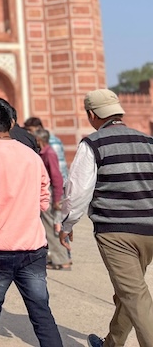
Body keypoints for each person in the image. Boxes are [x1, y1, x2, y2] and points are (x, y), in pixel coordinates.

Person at [59, 89, 153, 347]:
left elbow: (78, 192)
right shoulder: (148, 141)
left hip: (116, 232)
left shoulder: (93, 143)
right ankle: (112, 342)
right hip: (149, 231)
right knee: (128, 292)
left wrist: (67, 225)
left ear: (92, 114)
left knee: (135, 295)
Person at [0, 98, 62, 347]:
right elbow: (44, 202)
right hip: (33, 247)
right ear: (12, 122)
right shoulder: (32, 156)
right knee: (41, 311)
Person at [34, 128, 70, 271]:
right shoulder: (44, 153)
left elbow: (56, 177)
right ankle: (56, 258)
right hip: (47, 193)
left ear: (40, 140)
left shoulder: (49, 153)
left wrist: (56, 199)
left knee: (53, 228)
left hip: (50, 194)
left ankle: (61, 259)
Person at [24, 116, 69, 182]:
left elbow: (58, 166)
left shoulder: (52, 142)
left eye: (30, 130)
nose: (29, 133)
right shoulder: (39, 142)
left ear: (38, 128)